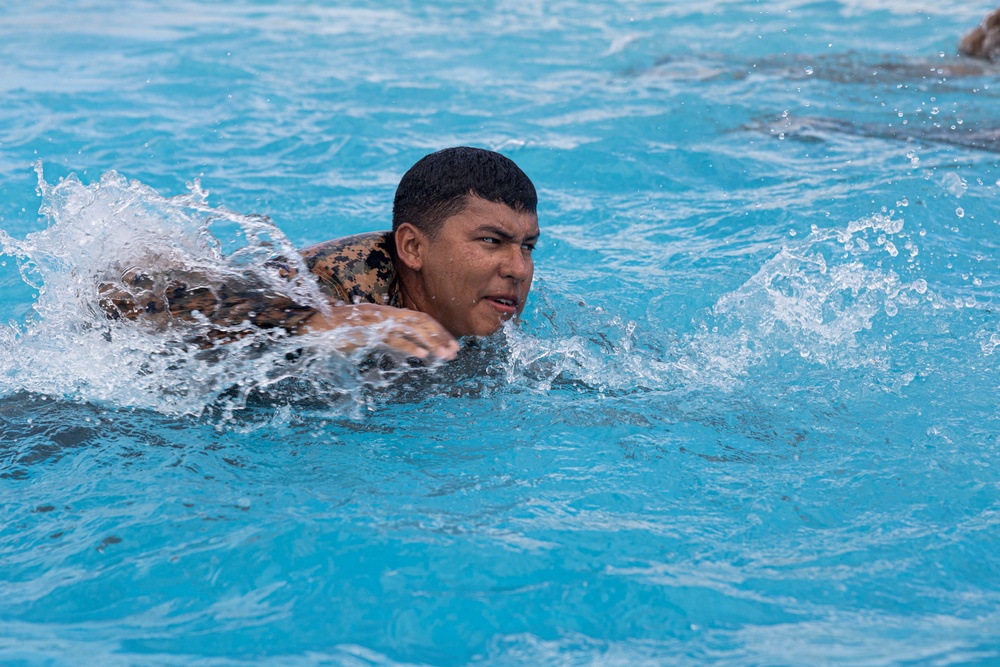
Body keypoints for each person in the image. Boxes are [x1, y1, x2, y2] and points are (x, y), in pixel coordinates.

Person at [98, 146, 540, 363]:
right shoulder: (327, 286)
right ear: (413, 247)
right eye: (491, 241)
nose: (518, 269)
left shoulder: (490, 316)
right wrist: (317, 322)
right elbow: (135, 298)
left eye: (528, 246)